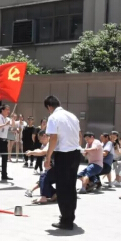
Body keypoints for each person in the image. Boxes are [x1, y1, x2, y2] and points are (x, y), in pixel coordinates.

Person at [43, 96, 82, 230]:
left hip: (64, 155)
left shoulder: (53, 117)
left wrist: (48, 157)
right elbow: (79, 135)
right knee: (71, 186)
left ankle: (66, 220)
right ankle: (70, 216)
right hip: (75, 153)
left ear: (49, 107)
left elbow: (53, 138)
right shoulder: (72, 116)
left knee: (62, 188)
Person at [25, 131, 56, 204]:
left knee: (44, 176)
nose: (39, 141)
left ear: (44, 136)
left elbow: (43, 152)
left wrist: (32, 152)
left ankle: (44, 197)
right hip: (55, 168)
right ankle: (55, 194)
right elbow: (41, 151)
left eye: (40, 139)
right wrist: (33, 151)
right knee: (44, 179)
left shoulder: (50, 142)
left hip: (59, 169)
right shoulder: (44, 145)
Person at [0, 104, 14, 181]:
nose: (8, 111)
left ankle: (4, 175)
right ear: (2, 110)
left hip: (4, 140)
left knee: (4, 158)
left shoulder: (8, 119)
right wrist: (4, 124)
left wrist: (12, 118)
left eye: (9, 110)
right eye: (7, 109)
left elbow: (13, 126)